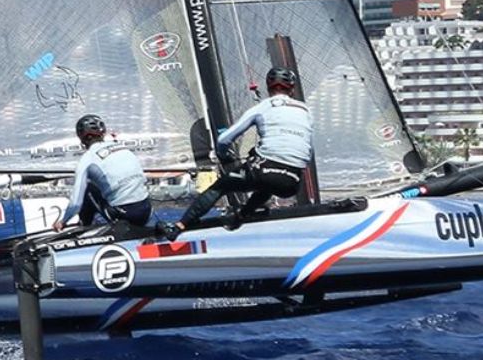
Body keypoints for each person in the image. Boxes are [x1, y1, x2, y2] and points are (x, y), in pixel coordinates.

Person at [178, 67, 314, 229]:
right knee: (266, 185)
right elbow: (307, 149)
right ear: (292, 89)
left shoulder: (262, 107)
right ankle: (242, 215)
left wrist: (223, 154)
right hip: (292, 182)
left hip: (265, 171)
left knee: (222, 185)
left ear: (268, 87)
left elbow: (224, 139)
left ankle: (180, 225)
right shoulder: (306, 110)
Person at [63, 115, 156, 239]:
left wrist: (62, 222)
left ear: (81, 137)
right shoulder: (123, 148)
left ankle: (83, 231)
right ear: (103, 132)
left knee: (89, 189)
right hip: (146, 212)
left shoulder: (86, 159)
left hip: (125, 216)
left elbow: (75, 204)